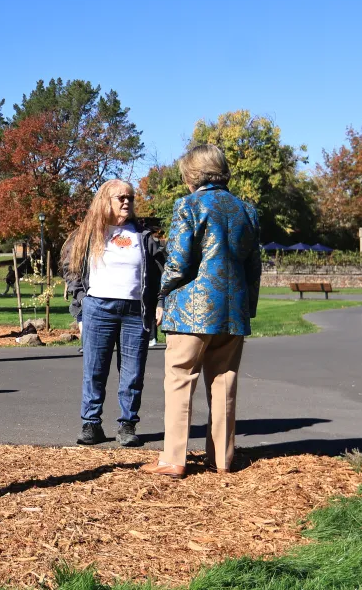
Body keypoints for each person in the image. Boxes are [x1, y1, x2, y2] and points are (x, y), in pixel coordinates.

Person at [142, 144, 261, 478]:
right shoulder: (247, 211)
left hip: (192, 310)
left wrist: (161, 293)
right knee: (224, 383)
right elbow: (254, 267)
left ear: (191, 174)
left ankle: (173, 459)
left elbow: (178, 263)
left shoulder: (188, 206)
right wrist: (247, 307)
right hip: (232, 311)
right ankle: (222, 460)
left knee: (180, 379)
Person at [64, 180, 166, 448]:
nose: (126, 202)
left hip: (135, 311)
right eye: (120, 197)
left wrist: (159, 302)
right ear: (105, 201)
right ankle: (91, 424)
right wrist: (82, 302)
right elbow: (71, 268)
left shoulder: (143, 235)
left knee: (133, 371)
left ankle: (127, 425)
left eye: (130, 198)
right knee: (94, 369)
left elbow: (159, 273)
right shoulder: (88, 234)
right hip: (98, 308)